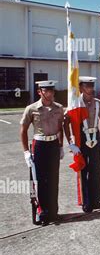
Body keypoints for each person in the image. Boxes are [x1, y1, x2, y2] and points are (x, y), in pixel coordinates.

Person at [20, 80, 64, 225]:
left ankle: (53, 212)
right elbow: (23, 130)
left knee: (53, 179)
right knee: (38, 181)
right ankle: (41, 213)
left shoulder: (58, 108)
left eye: (52, 91)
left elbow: (60, 128)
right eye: (46, 91)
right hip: (39, 145)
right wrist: (26, 151)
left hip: (53, 145)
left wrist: (61, 146)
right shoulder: (31, 108)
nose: (50, 94)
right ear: (40, 92)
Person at [64, 76, 100, 213]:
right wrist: (70, 143)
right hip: (81, 138)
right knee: (83, 170)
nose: (90, 89)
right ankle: (86, 201)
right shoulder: (75, 103)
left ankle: (96, 200)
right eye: (87, 86)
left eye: (91, 86)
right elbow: (65, 122)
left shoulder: (98, 103)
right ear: (81, 87)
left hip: (95, 136)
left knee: (96, 170)